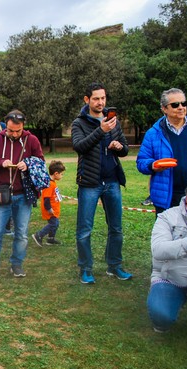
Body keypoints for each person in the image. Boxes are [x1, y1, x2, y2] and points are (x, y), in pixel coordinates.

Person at [71, 82, 132, 284]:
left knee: (116, 228)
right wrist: (101, 131)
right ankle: (85, 269)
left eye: (103, 98)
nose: (101, 102)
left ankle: (114, 266)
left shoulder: (112, 120)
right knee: (84, 230)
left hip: (112, 181)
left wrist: (118, 146)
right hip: (90, 183)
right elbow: (79, 146)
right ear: (87, 100)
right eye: (96, 98)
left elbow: (125, 151)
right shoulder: (79, 123)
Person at [0, 110, 45, 279]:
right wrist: (1, 162)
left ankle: (16, 264)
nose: (14, 134)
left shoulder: (32, 140)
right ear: (5, 125)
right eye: (10, 130)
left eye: (18, 130)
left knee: (22, 233)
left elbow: (41, 161)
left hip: (23, 195)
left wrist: (28, 164)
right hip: (1, 193)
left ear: (23, 126)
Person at [137, 88, 187, 215]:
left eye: (183, 103)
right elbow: (141, 162)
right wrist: (152, 166)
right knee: (167, 234)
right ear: (164, 108)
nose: (181, 107)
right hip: (167, 197)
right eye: (175, 105)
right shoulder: (153, 134)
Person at [146, 180, 187, 333]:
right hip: (171, 279)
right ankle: (163, 303)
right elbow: (158, 250)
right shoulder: (167, 217)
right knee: (162, 317)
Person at [32, 160, 66, 246]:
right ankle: (38, 235)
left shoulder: (52, 183)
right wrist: (49, 209)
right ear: (56, 173)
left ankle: (51, 239)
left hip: (54, 209)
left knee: (55, 223)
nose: (62, 176)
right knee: (53, 224)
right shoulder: (49, 184)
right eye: (61, 174)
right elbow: (46, 199)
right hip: (50, 210)